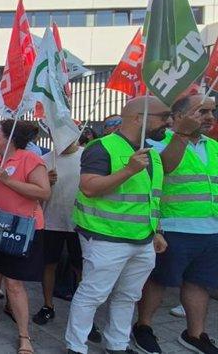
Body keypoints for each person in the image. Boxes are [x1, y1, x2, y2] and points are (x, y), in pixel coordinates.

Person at [65, 96, 171, 354]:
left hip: (143, 240)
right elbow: (89, 187)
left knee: (128, 296)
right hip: (105, 239)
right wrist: (128, 170)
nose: (168, 123)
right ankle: (76, 346)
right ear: (138, 118)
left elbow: (152, 197)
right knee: (92, 295)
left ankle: (117, 344)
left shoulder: (153, 155)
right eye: (162, 117)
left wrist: (157, 231)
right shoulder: (102, 148)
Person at [133, 95, 218, 354]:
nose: (209, 118)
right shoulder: (157, 142)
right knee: (158, 280)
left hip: (210, 229)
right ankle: (143, 328)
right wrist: (180, 135)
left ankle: (195, 334)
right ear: (179, 116)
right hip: (172, 227)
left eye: (212, 112)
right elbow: (166, 168)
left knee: (198, 282)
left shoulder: (213, 146)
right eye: (202, 112)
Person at [0, 119, 51, 354]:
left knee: (14, 283)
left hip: (21, 230)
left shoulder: (30, 159)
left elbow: (43, 192)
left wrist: (9, 181)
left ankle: (24, 335)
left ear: (10, 138)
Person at [33, 140, 85, 327]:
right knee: (48, 266)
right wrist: (45, 183)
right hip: (51, 222)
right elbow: (36, 194)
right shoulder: (44, 160)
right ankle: (48, 306)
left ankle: (84, 312)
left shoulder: (86, 156)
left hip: (80, 223)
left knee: (81, 268)